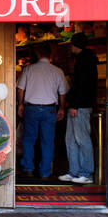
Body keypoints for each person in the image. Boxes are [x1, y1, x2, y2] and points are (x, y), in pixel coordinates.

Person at [16, 43, 67, 180]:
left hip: (31, 108)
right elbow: (62, 93)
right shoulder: (57, 71)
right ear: (50, 55)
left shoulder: (28, 70)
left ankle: (28, 169)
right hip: (49, 109)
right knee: (48, 141)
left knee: (28, 140)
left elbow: (20, 89)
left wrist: (20, 104)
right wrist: (61, 108)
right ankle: (45, 172)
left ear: (37, 54)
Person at [61, 32, 98, 184]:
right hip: (78, 105)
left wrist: (75, 104)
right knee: (70, 139)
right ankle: (74, 171)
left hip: (80, 106)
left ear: (76, 45)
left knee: (82, 139)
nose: (70, 47)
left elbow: (82, 85)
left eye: (72, 44)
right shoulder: (84, 59)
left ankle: (86, 173)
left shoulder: (84, 61)